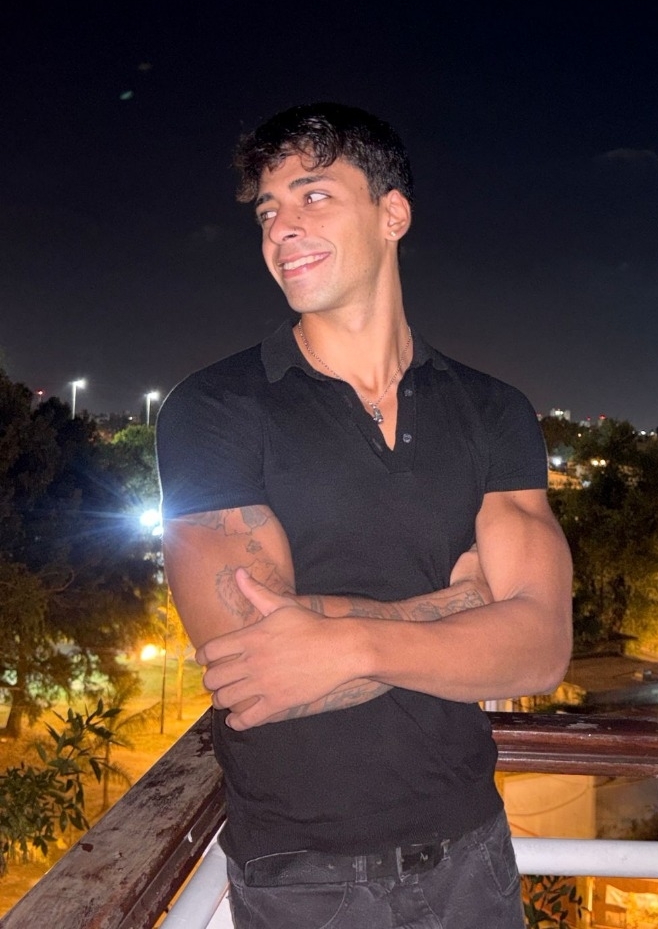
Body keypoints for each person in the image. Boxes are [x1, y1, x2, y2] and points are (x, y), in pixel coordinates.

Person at [156, 102, 573, 929]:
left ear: (393, 214)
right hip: (302, 875)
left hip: (473, 852)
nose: (282, 229)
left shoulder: (493, 412)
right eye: (268, 211)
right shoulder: (214, 410)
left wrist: (347, 644)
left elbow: (541, 648)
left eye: (313, 196)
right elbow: (256, 673)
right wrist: (470, 604)